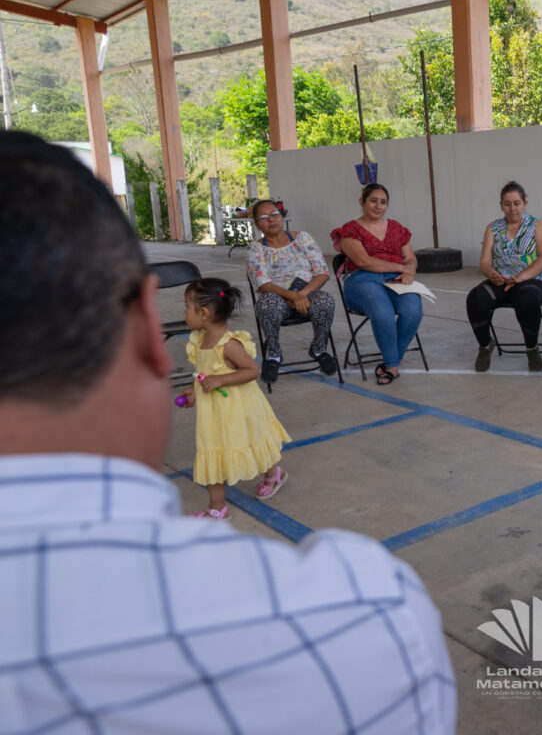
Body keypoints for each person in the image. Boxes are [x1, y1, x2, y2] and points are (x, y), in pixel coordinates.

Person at [0, 131, 455, 733]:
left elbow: (327, 273)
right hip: (279, 303)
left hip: (313, 297)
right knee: (285, 309)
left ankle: (322, 350)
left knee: (327, 306)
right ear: (147, 326)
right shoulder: (366, 612)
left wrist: (310, 291)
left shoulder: (309, 243)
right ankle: (280, 361)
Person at [177, 277, 292, 517]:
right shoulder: (200, 339)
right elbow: (202, 372)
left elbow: (252, 370)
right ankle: (217, 508)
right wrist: (193, 389)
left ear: (205, 313)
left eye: (187, 306)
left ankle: (273, 474)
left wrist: (221, 380)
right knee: (213, 450)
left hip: (239, 409)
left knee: (252, 440)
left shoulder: (228, 344)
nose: (184, 311)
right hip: (214, 413)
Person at [330, 183, 423, 385]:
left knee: (413, 310)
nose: (378, 206)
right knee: (383, 311)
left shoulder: (397, 228)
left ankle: (392, 361)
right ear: (362, 202)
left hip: (395, 278)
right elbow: (364, 262)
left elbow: (410, 258)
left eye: (383, 202)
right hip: (362, 279)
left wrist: (410, 272)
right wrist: (401, 268)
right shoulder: (350, 230)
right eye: (373, 200)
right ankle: (392, 366)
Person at [245, 199, 337, 383]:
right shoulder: (255, 248)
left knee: (326, 301)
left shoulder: (303, 238)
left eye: (274, 214)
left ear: (282, 216)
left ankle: (318, 348)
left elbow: (322, 273)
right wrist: (292, 296)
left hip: (307, 294)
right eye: (264, 217)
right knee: (266, 304)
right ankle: (273, 353)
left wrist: (300, 295)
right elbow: (263, 284)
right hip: (279, 298)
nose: (271, 220)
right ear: (256, 224)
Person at [468, 180, 542, 372]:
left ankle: (531, 348)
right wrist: (492, 274)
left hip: (532, 281)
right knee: (476, 298)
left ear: (525, 203)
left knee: (527, 297)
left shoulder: (536, 224)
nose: (512, 208)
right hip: (501, 280)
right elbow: (484, 261)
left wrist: (521, 278)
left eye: (517, 203)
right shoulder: (493, 227)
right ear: (501, 205)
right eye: (507, 204)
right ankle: (485, 345)